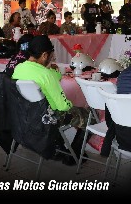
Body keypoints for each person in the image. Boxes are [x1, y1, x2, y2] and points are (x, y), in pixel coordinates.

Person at [11, 35, 89, 165]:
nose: (52, 58)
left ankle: (59, 147)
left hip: (25, 115)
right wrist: (71, 103)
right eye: (52, 56)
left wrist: (52, 71)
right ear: (44, 55)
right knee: (90, 115)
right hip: (47, 118)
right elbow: (63, 106)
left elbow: (50, 76)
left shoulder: (19, 68)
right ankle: (73, 154)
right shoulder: (46, 75)